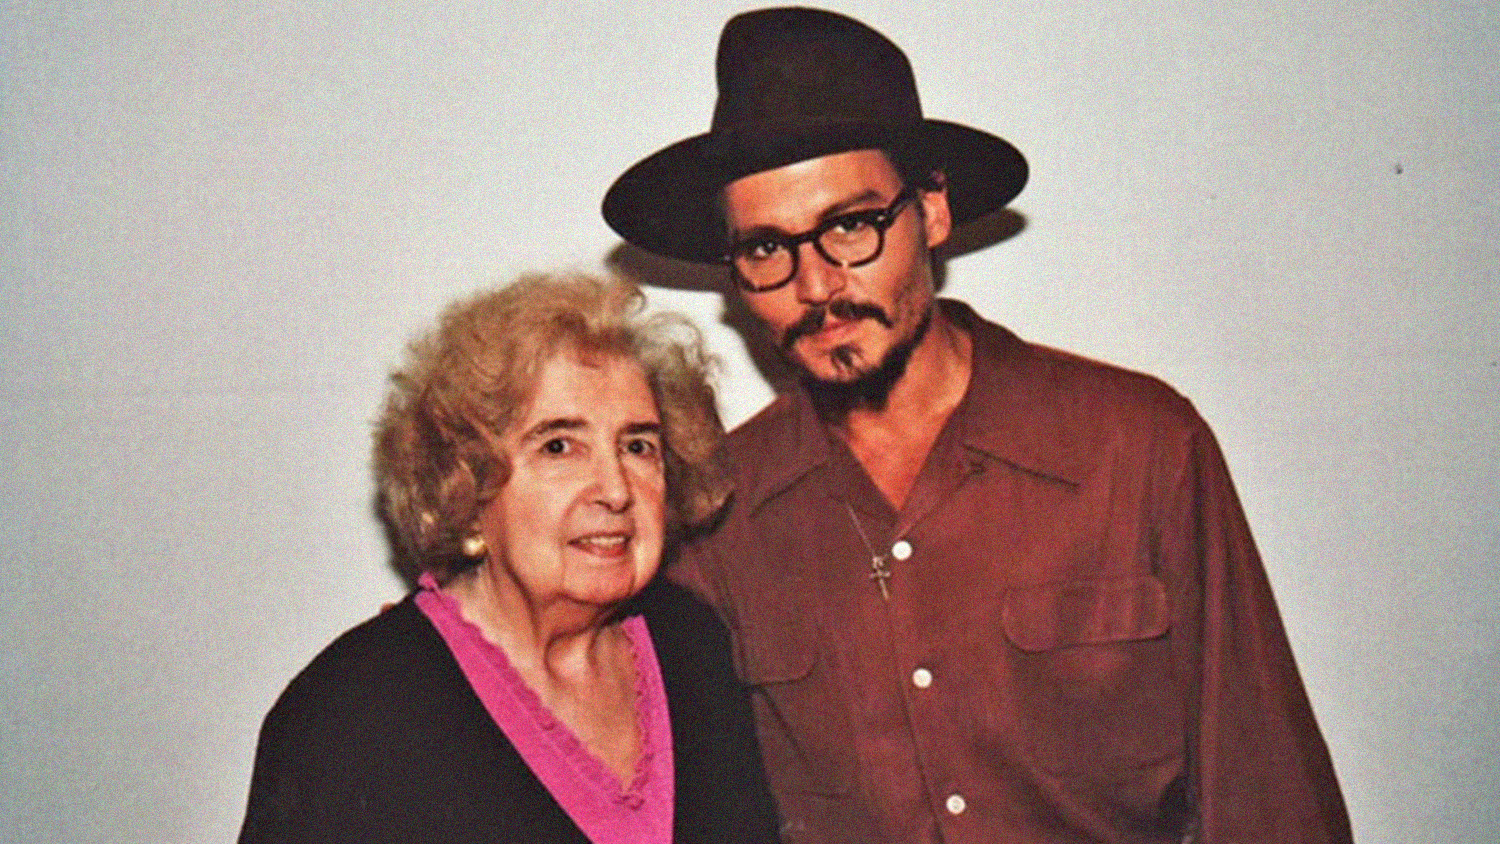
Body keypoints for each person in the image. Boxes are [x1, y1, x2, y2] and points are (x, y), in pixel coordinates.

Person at [602, 8, 1353, 844]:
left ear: (931, 211)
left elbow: (1269, 794)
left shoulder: (1136, 448)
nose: (815, 285)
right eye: (767, 249)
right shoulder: (718, 512)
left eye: (850, 227)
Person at [237, 274, 779, 844]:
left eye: (637, 445)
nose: (616, 490)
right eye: (559, 446)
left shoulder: (693, 642)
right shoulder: (351, 713)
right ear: (468, 488)